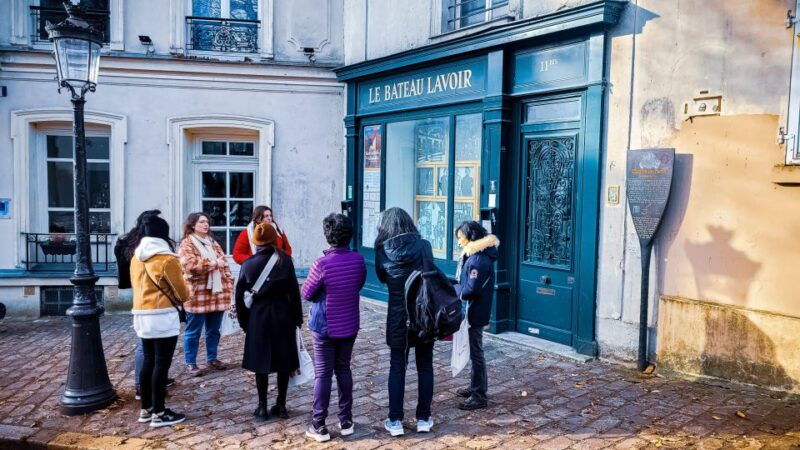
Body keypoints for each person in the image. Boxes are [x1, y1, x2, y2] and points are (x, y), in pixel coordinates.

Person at [301, 214, 366, 442]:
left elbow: (307, 292)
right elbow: (357, 285)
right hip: (348, 322)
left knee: (323, 374)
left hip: (324, 326)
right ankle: (346, 420)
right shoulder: (358, 260)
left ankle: (319, 424)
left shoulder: (322, 263)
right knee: (344, 369)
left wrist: (323, 292)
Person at [374, 207, 436, 436]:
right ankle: (423, 418)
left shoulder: (383, 250)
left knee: (397, 367)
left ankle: (395, 420)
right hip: (423, 314)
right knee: (425, 366)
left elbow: (382, 277)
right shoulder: (424, 246)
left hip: (399, 316)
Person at [235, 222, 303, 422]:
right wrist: (297, 318)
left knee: (261, 364)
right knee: (284, 362)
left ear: (255, 241)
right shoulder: (285, 261)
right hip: (283, 315)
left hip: (258, 317)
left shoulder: (248, 265)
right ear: (275, 239)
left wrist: (244, 323)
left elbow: (239, 297)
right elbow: (294, 292)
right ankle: (281, 405)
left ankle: (262, 406)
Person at [130, 216, 188, 427]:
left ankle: (146, 409)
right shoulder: (166, 259)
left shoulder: (136, 257)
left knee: (148, 361)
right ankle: (160, 413)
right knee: (161, 365)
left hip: (141, 314)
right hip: (162, 315)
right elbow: (182, 293)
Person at [114, 209, 175, 399]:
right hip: (152, 296)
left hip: (141, 296)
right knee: (146, 346)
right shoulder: (138, 245)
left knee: (149, 346)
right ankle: (143, 386)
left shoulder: (131, 242)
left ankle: (152, 381)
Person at [178, 212, 234, 376]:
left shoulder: (213, 243)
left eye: (207, 221)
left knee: (214, 330)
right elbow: (190, 265)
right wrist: (214, 263)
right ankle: (191, 363)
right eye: (201, 222)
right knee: (193, 332)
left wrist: (229, 281)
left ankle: (212, 358)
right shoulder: (187, 244)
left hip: (217, 294)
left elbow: (225, 263)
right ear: (192, 225)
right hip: (198, 295)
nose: (205, 224)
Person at [453, 221, 499, 410]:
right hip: (473, 309)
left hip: (475, 311)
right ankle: (475, 386)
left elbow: (470, 290)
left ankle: (479, 395)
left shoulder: (478, 260)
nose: (458, 242)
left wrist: (454, 289)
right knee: (474, 351)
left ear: (470, 237)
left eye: (460, 238)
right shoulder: (475, 256)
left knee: (476, 352)